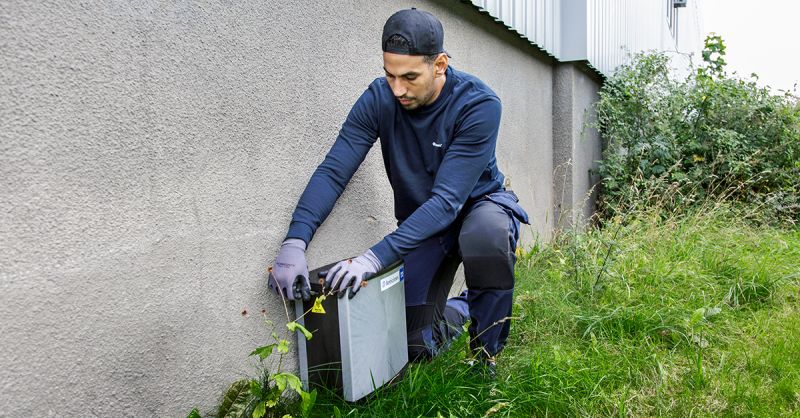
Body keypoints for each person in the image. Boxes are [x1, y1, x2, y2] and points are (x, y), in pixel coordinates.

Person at [268, 8, 529, 376]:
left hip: (476, 208)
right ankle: (468, 306)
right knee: (410, 345)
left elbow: (447, 202)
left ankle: (484, 358)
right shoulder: (379, 98)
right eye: (389, 75)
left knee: (485, 236)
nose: (398, 89)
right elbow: (334, 171)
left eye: (409, 77)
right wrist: (295, 240)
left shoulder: (478, 104)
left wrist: (372, 259)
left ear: (439, 64)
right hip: (424, 224)